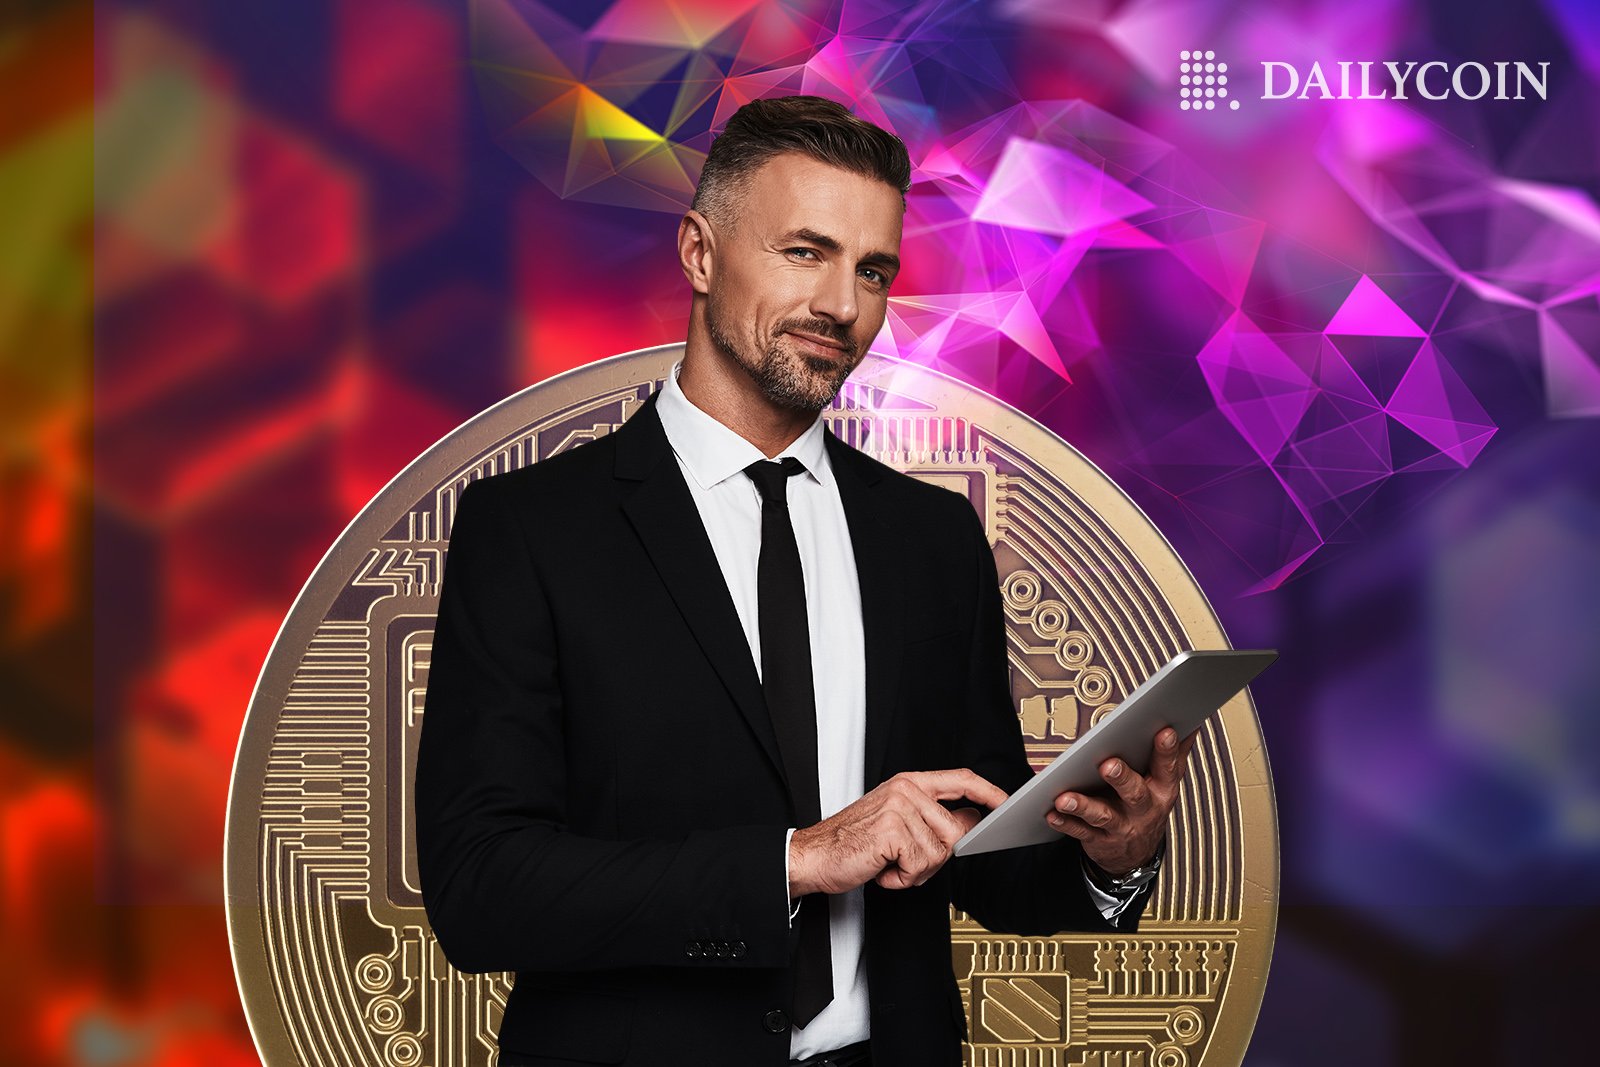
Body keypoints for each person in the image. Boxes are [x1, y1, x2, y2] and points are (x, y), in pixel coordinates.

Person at [414, 95, 1193, 1067]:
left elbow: (978, 863)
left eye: (873, 270)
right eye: (804, 251)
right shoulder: (531, 527)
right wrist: (790, 861)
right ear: (700, 252)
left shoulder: (931, 536)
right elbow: (480, 889)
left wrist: (1111, 859)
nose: (842, 304)